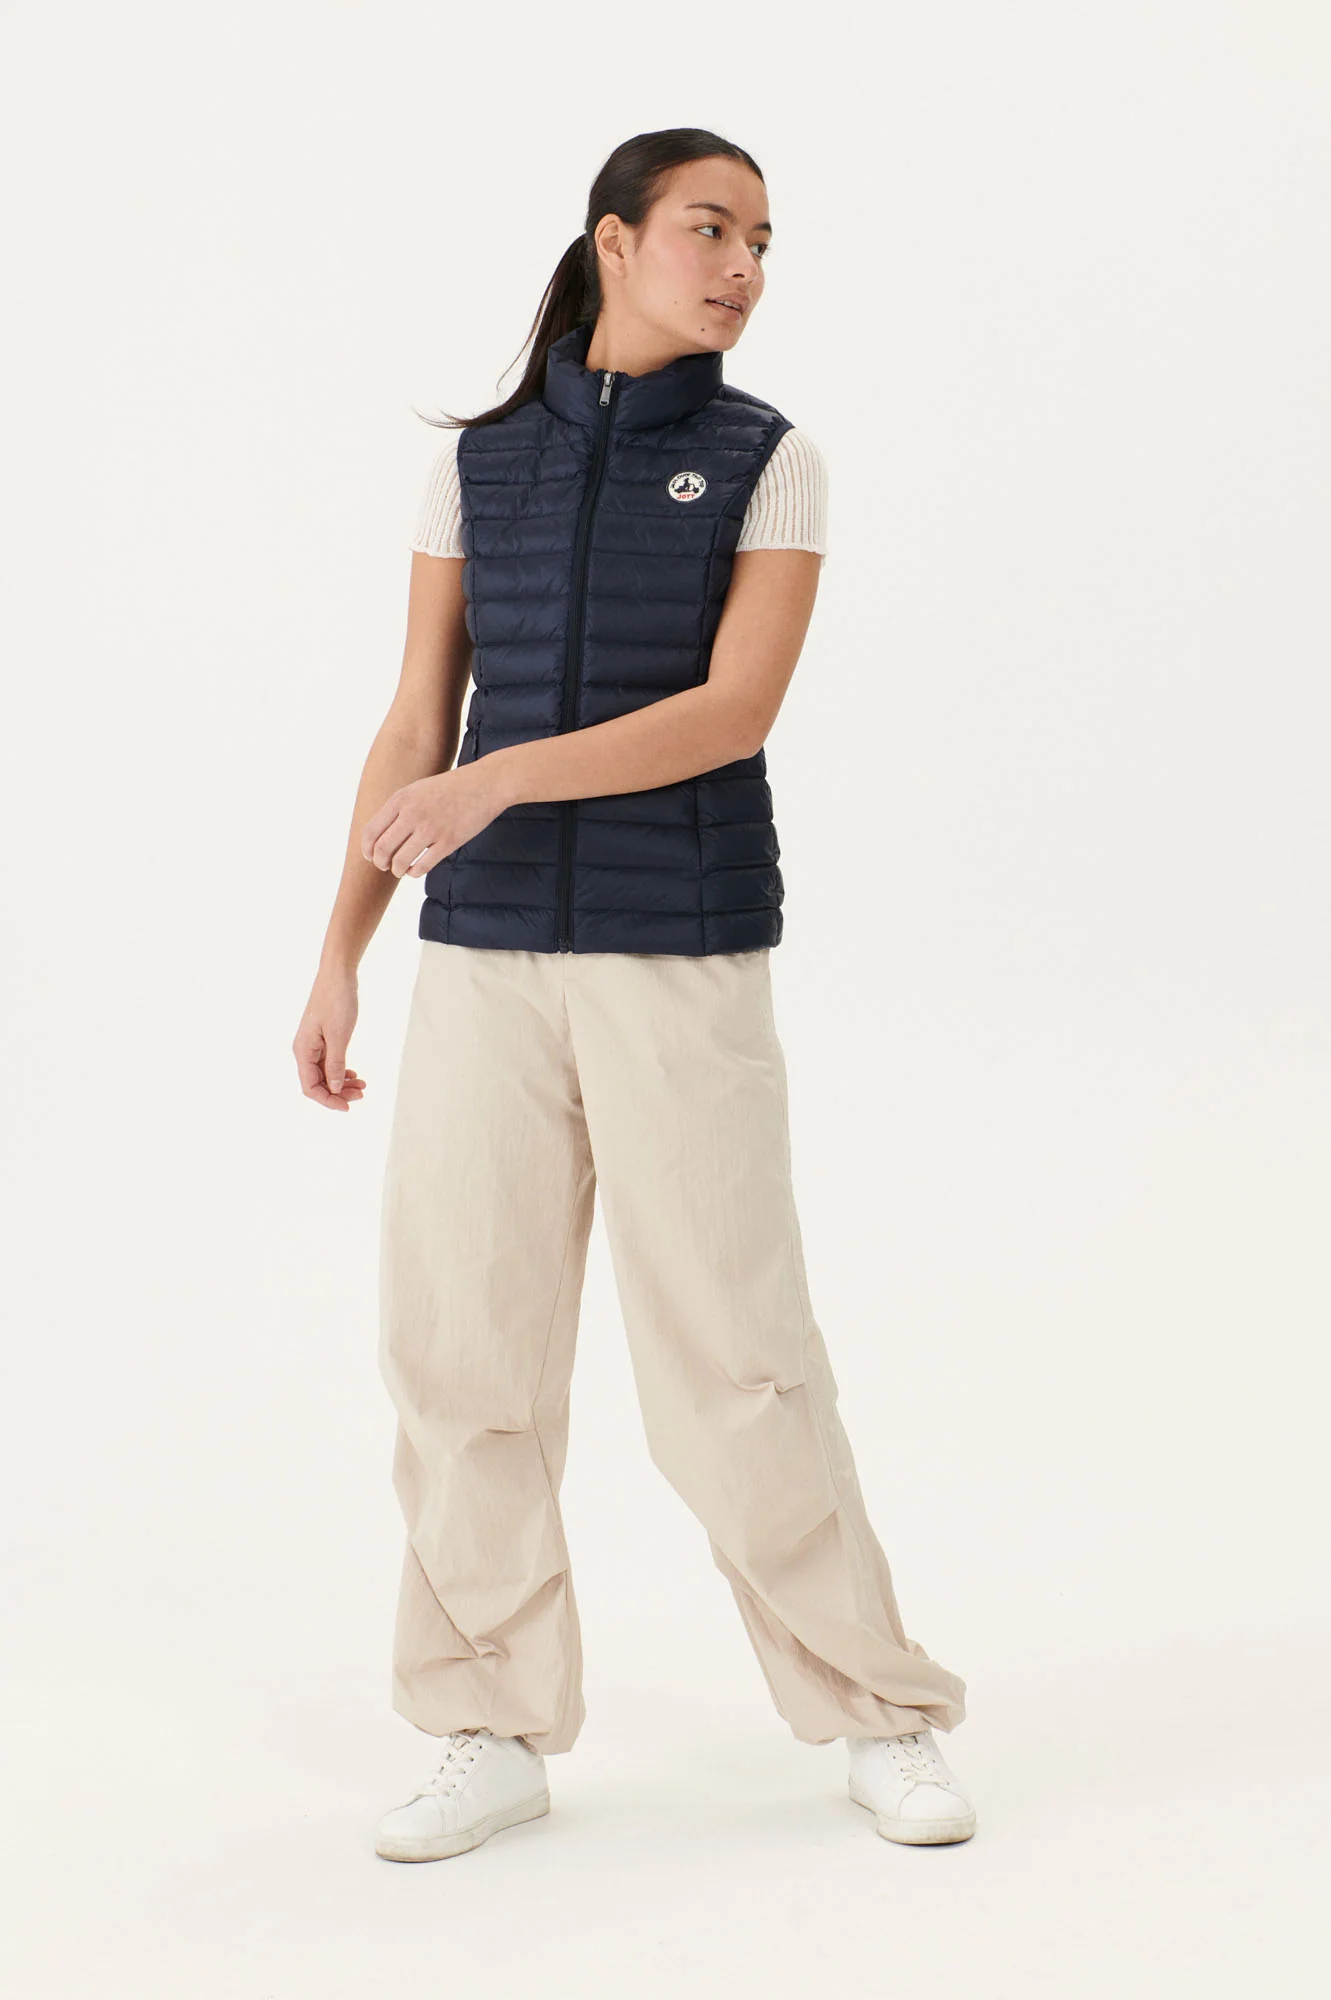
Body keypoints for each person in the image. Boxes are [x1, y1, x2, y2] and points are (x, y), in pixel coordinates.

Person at [293, 127, 975, 1862]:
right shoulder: (481, 463)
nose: (744, 267)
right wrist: (340, 951)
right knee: (460, 1354)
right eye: (709, 229)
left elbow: (734, 712)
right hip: (485, 962)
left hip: (681, 951)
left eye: (763, 241)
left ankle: (878, 1711)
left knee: (738, 1359)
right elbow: (413, 719)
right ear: (615, 240)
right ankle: (487, 1726)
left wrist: (502, 781)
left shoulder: (771, 461)